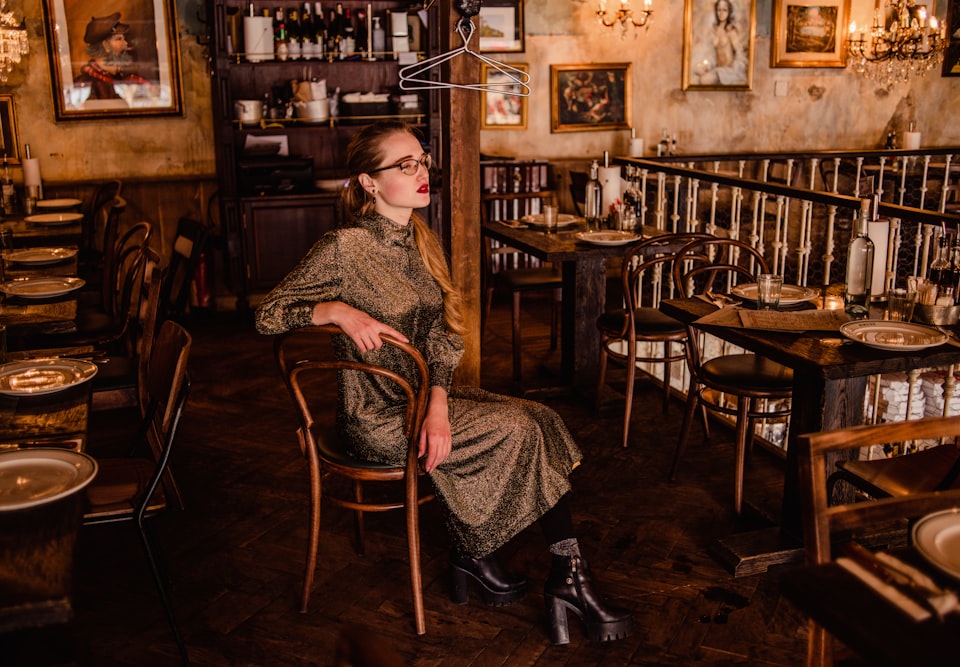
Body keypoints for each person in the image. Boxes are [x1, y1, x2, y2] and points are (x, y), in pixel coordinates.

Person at [255, 121, 632, 645]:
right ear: (369, 182)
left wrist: (436, 403)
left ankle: (503, 561)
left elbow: (443, 336)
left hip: (423, 399)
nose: (421, 171)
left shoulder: (419, 238)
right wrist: (335, 310)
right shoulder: (343, 247)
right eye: (403, 164)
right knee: (518, 428)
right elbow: (266, 315)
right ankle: (542, 572)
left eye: (422, 160)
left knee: (541, 418)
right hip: (377, 419)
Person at [73, 12, 152, 101]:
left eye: (124, 38)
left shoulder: (130, 79)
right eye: (119, 39)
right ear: (106, 45)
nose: (125, 43)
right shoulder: (85, 85)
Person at [692, 0, 747, 86]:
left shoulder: (731, 31)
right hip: (716, 67)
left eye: (724, 10)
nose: (721, 13)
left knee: (704, 80)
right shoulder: (715, 30)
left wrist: (735, 69)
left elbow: (739, 53)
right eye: (719, 10)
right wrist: (707, 65)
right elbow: (712, 54)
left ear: (729, 12)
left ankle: (713, 76)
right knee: (696, 69)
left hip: (727, 70)